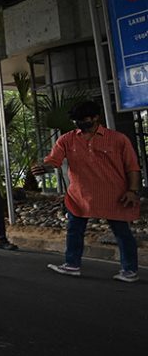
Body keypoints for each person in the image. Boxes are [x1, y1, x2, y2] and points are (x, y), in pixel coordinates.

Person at [31, 101, 140, 282]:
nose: (79, 123)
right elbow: (54, 160)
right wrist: (44, 167)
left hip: (114, 195)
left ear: (96, 117)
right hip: (79, 196)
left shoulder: (118, 139)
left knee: (122, 232)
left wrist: (132, 190)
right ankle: (72, 264)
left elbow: (132, 167)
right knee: (74, 229)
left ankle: (129, 270)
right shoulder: (66, 139)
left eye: (84, 119)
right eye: (76, 121)